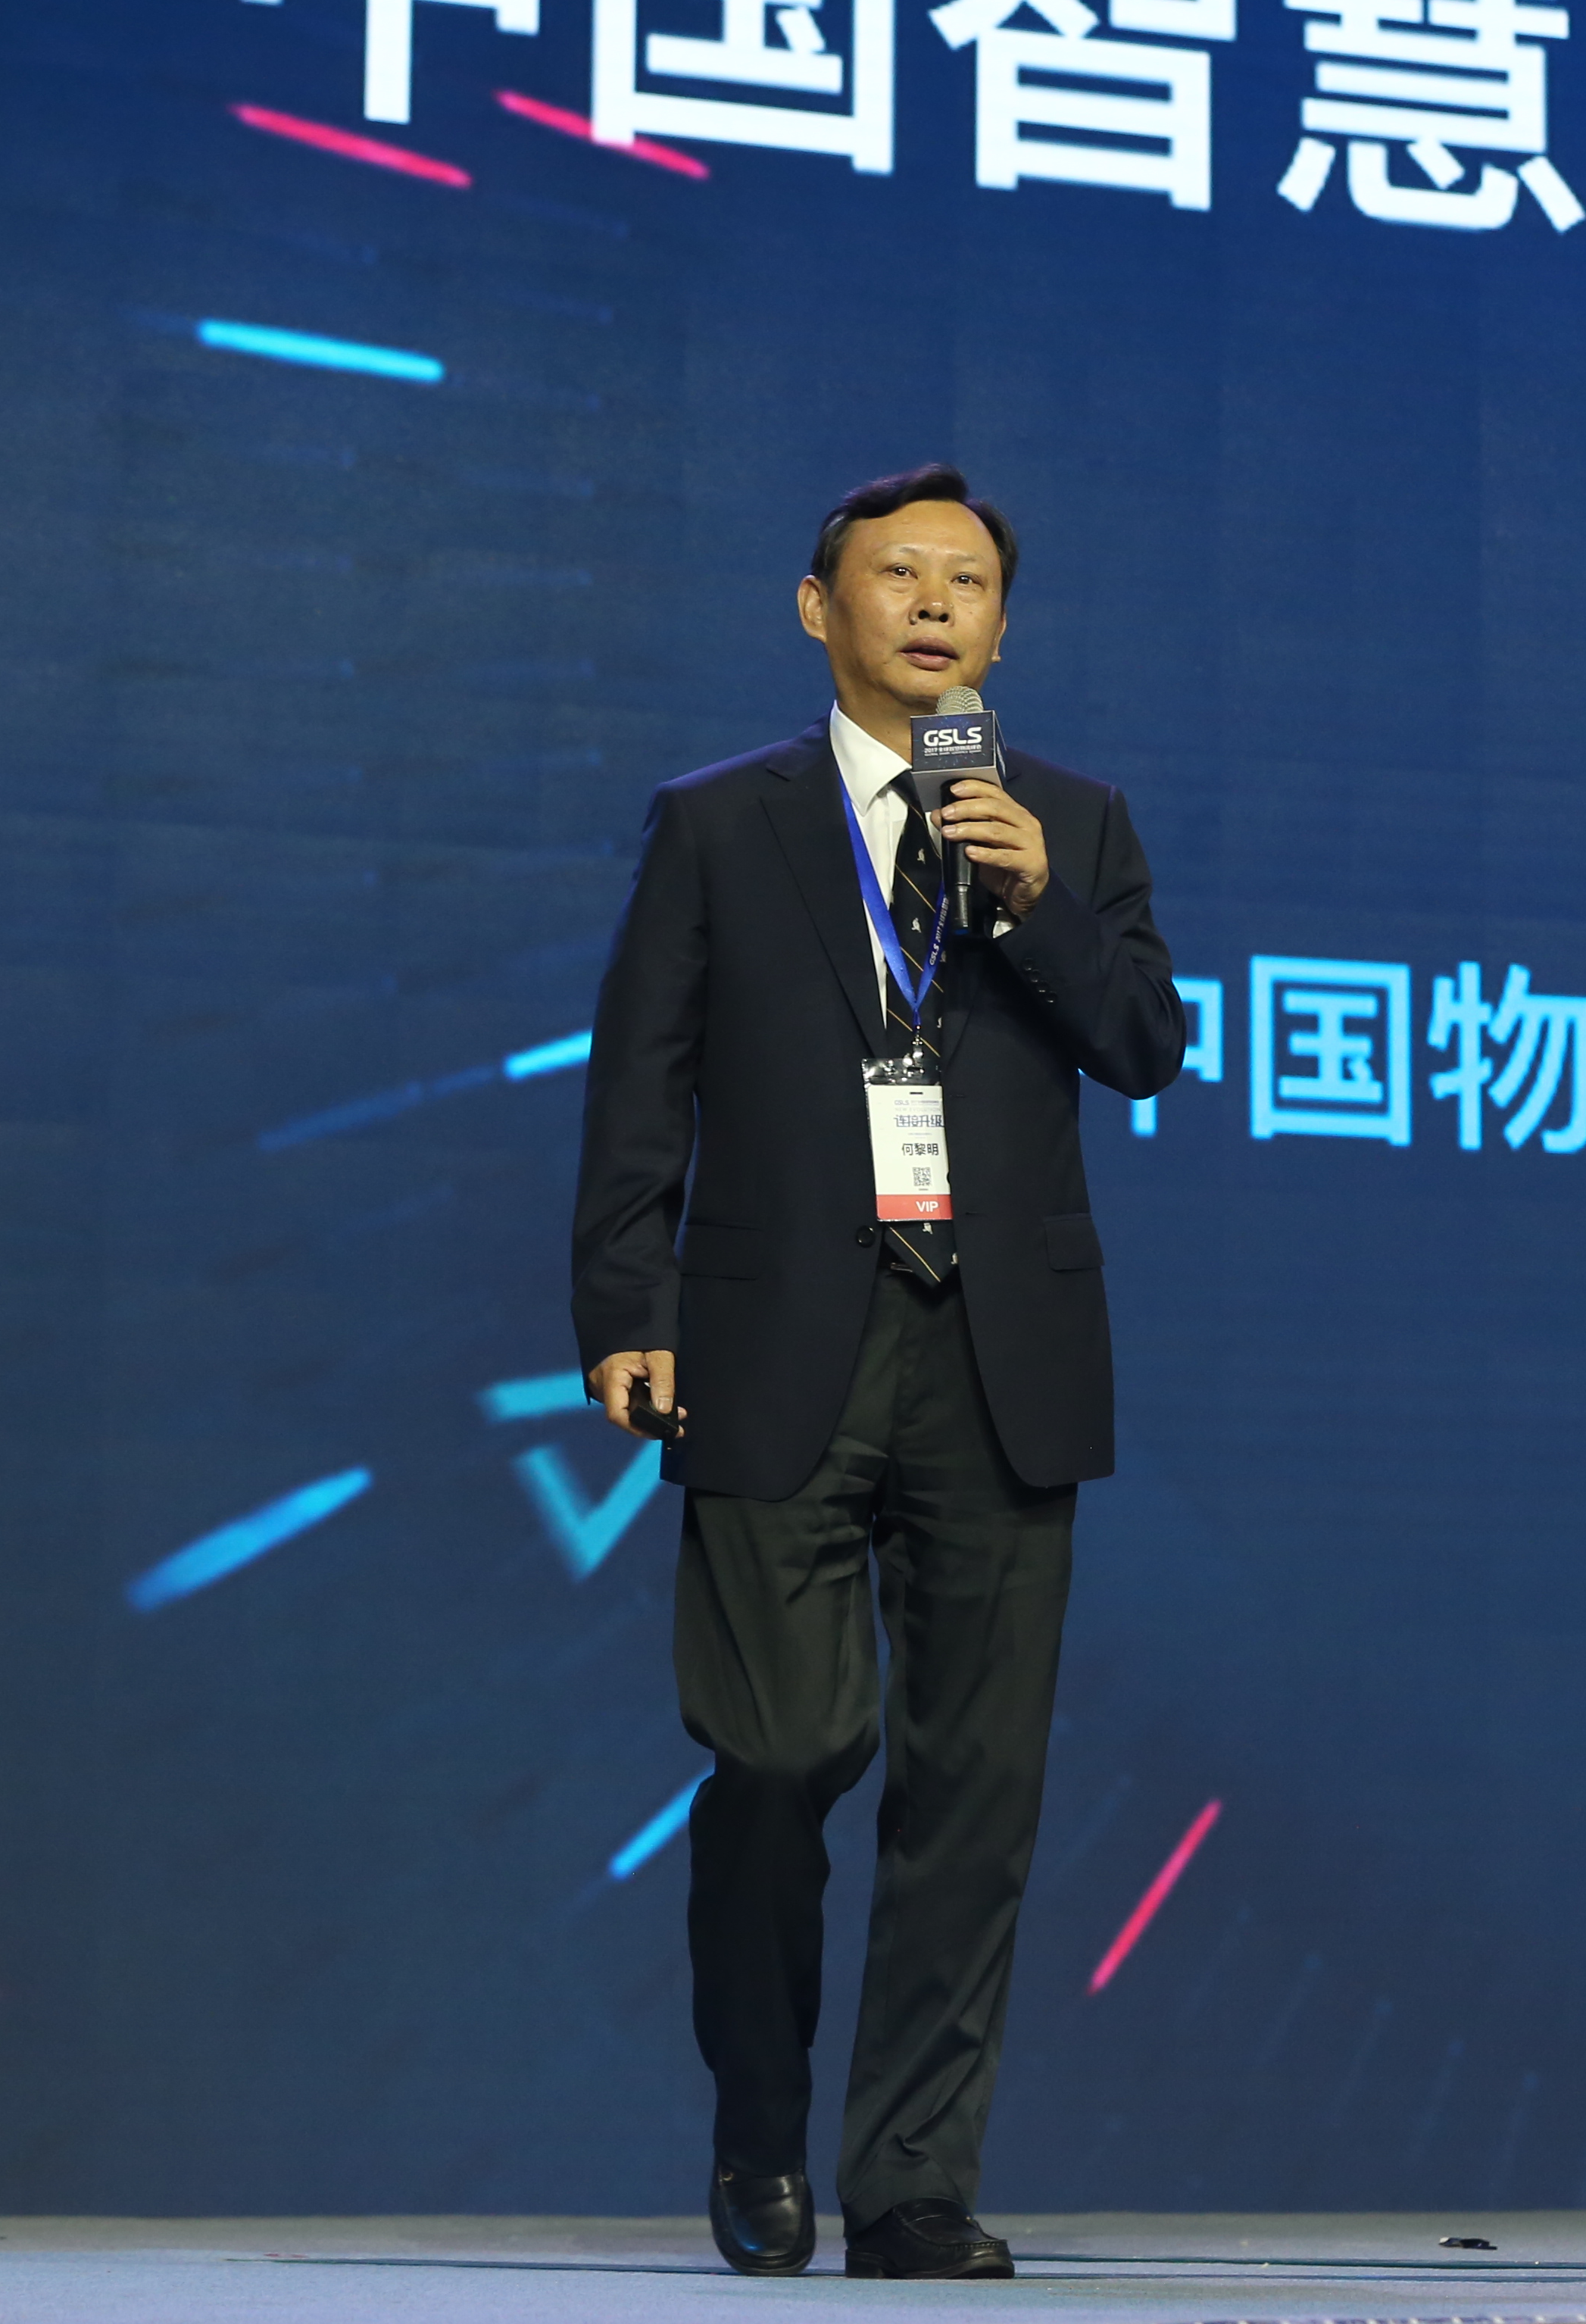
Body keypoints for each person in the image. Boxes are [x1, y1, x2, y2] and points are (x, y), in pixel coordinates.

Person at [570, 464, 1186, 2280]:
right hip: (774, 1343)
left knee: (973, 1791)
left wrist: (1040, 905)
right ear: (816, 608)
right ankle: (758, 2129)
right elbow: (638, 1079)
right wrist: (624, 1306)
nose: (933, 604)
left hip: (1002, 1355)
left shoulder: (1069, 822)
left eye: (966, 583)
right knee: (782, 1747)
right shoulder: (720, 824)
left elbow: (1147, 1044)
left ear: (1001, 626)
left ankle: (913, 2184)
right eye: (898, 574)